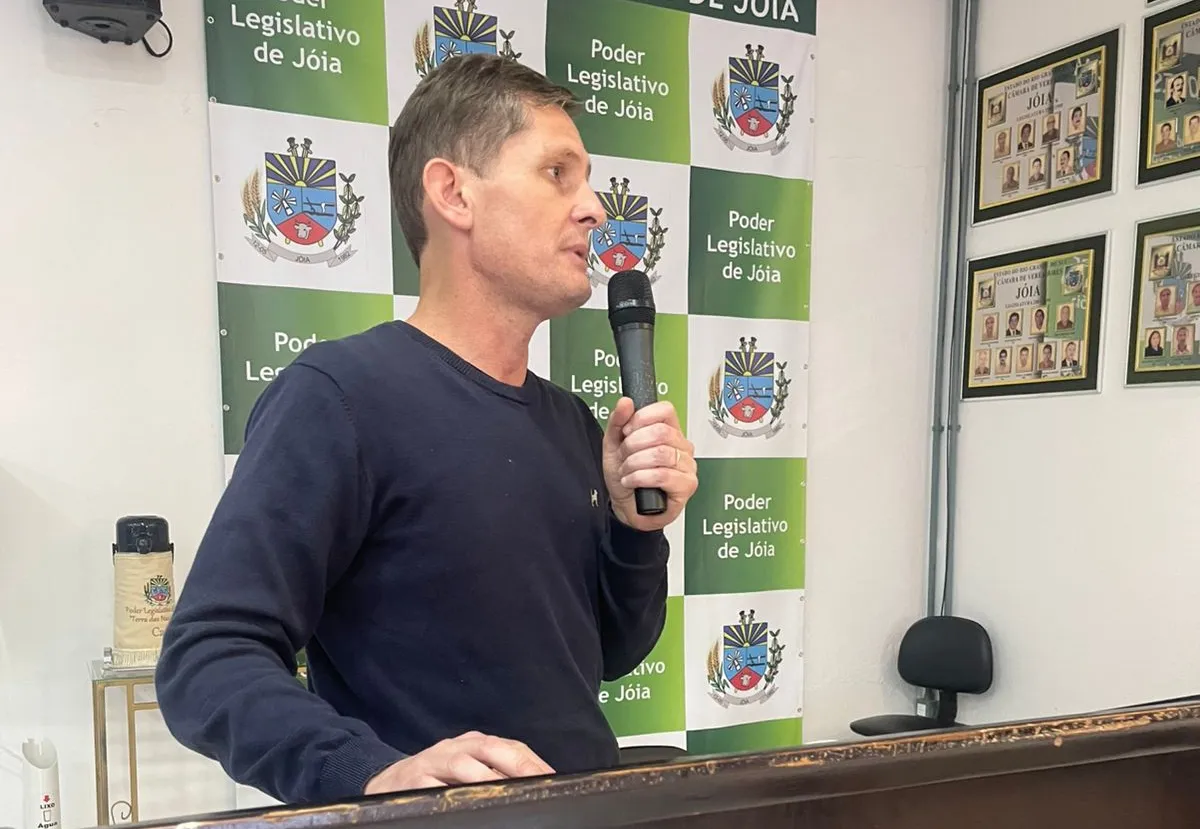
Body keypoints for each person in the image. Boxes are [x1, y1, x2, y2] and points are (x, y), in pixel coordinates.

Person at [154, 54, 698, 806]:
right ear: (453, 193)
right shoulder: (339, 397)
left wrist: (637, 533)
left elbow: (611, 651)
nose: (595, 209)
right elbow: (206, 657)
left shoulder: (571, 422)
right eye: (557, 173)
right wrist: (369, 773)